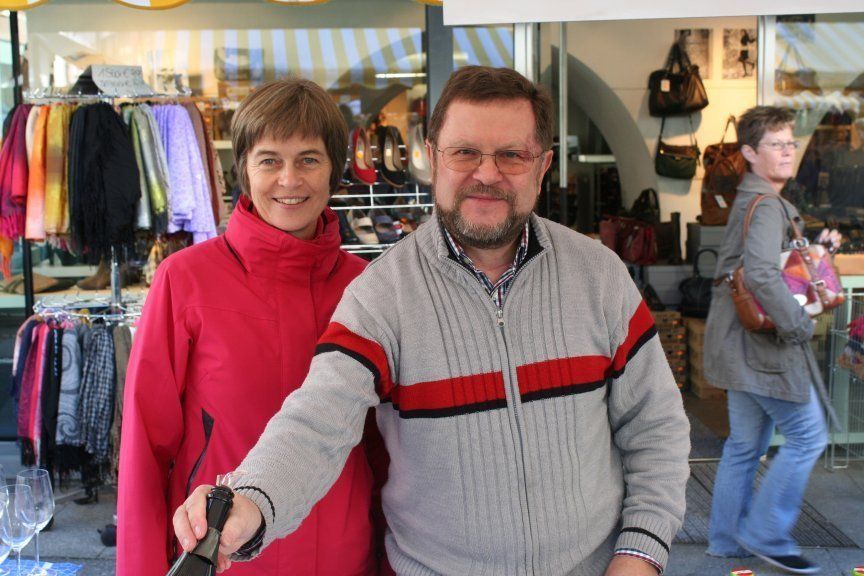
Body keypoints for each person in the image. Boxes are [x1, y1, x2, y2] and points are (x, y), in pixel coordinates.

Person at [173, 65, 691, 576]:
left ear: (543, 165)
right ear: (432, 157)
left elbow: (656, 428)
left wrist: (640, 555)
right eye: (465, 152)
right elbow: (316, 423)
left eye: (511, 155)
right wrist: (249, 502)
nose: (486, 174)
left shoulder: (598, 276)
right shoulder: (380, 295)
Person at [116, 79, 379, 576]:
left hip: (343, 554)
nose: (289, 179)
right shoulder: (186, 280)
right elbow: (146, 447)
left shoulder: (368, 287)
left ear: (333, 170)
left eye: (308, 159)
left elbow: (387, 448)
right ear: (244, 168)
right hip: (220, 558)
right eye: (269, 160)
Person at [704, 105, 839, 575]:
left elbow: (770, 266)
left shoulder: (754, 200)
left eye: (790, 143)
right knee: (808, 435)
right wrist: (798, 325)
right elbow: (762, 274)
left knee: (744, 445)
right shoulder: (765, 205)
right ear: (748, 152)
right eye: (775, 144)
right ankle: (766, 534)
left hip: (738, 344)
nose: (786, 152)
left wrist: (819, 252)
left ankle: (726, 539)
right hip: (761, 350)